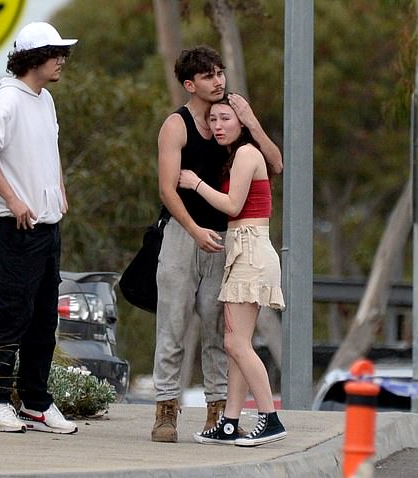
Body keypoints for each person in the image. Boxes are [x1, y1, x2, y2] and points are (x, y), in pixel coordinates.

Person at [152, 45, 283, 443]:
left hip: (230, 239)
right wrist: (193, 230)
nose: (218, 80)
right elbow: (167, 188)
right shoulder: (177, 125)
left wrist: (251, 121)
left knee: (220, 330)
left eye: (220, 72)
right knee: (172, 323)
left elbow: (275, 163)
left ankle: (219, 412)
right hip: (183, 232)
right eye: (209, 76)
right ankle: (165, 410)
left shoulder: (232, 124)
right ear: (191, 84)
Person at [0, 22, 78, 434]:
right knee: (11, 315)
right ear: (33, 58)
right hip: (15, 229)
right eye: (55, 53)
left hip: (47, 229)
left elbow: (49, 149)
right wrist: (13, 199)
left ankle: (35, 402)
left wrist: (60, 190)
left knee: (43, 319)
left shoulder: (44, 99)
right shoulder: (9, 100)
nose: (61, 61)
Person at [178, 95, 286, 447]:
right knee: (237, 344)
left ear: (241, 122)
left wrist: (194, 183)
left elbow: (232, 204)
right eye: (213, 120)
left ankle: (270, 418)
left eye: (226, 118)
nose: (218, 126)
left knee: (235, 342)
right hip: (244, 248)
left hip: (250, 248)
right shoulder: (239, 156)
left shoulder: (246, 153)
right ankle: (230, 421)